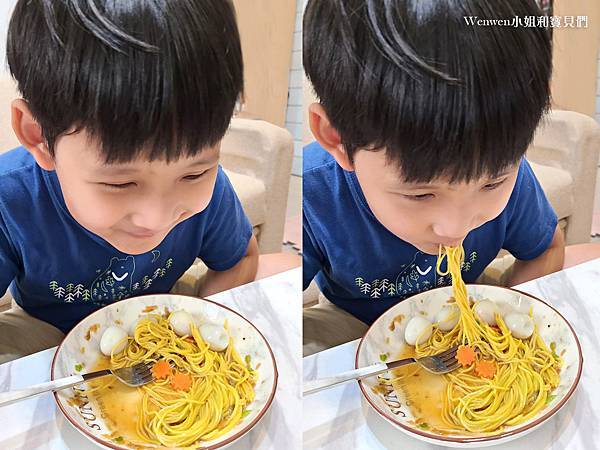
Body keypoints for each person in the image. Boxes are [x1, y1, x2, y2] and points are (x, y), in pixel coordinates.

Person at [302, 0, 571, 355]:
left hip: (468, 304)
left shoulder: (509, 170)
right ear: (336, 138)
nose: (456, 229)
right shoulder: (314, 191)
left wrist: (510, 320)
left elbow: (546, 249)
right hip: (353, 317)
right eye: (420, 195)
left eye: (491, 183)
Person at [0, 0, 259, 363]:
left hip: (160, 312)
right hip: (46, 328)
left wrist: (198, 327)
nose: (155, 220)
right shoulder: (9, 196)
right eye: (120, 183)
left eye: (193, 173)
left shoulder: (213, 192)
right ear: (39, 136)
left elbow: (240, 258)